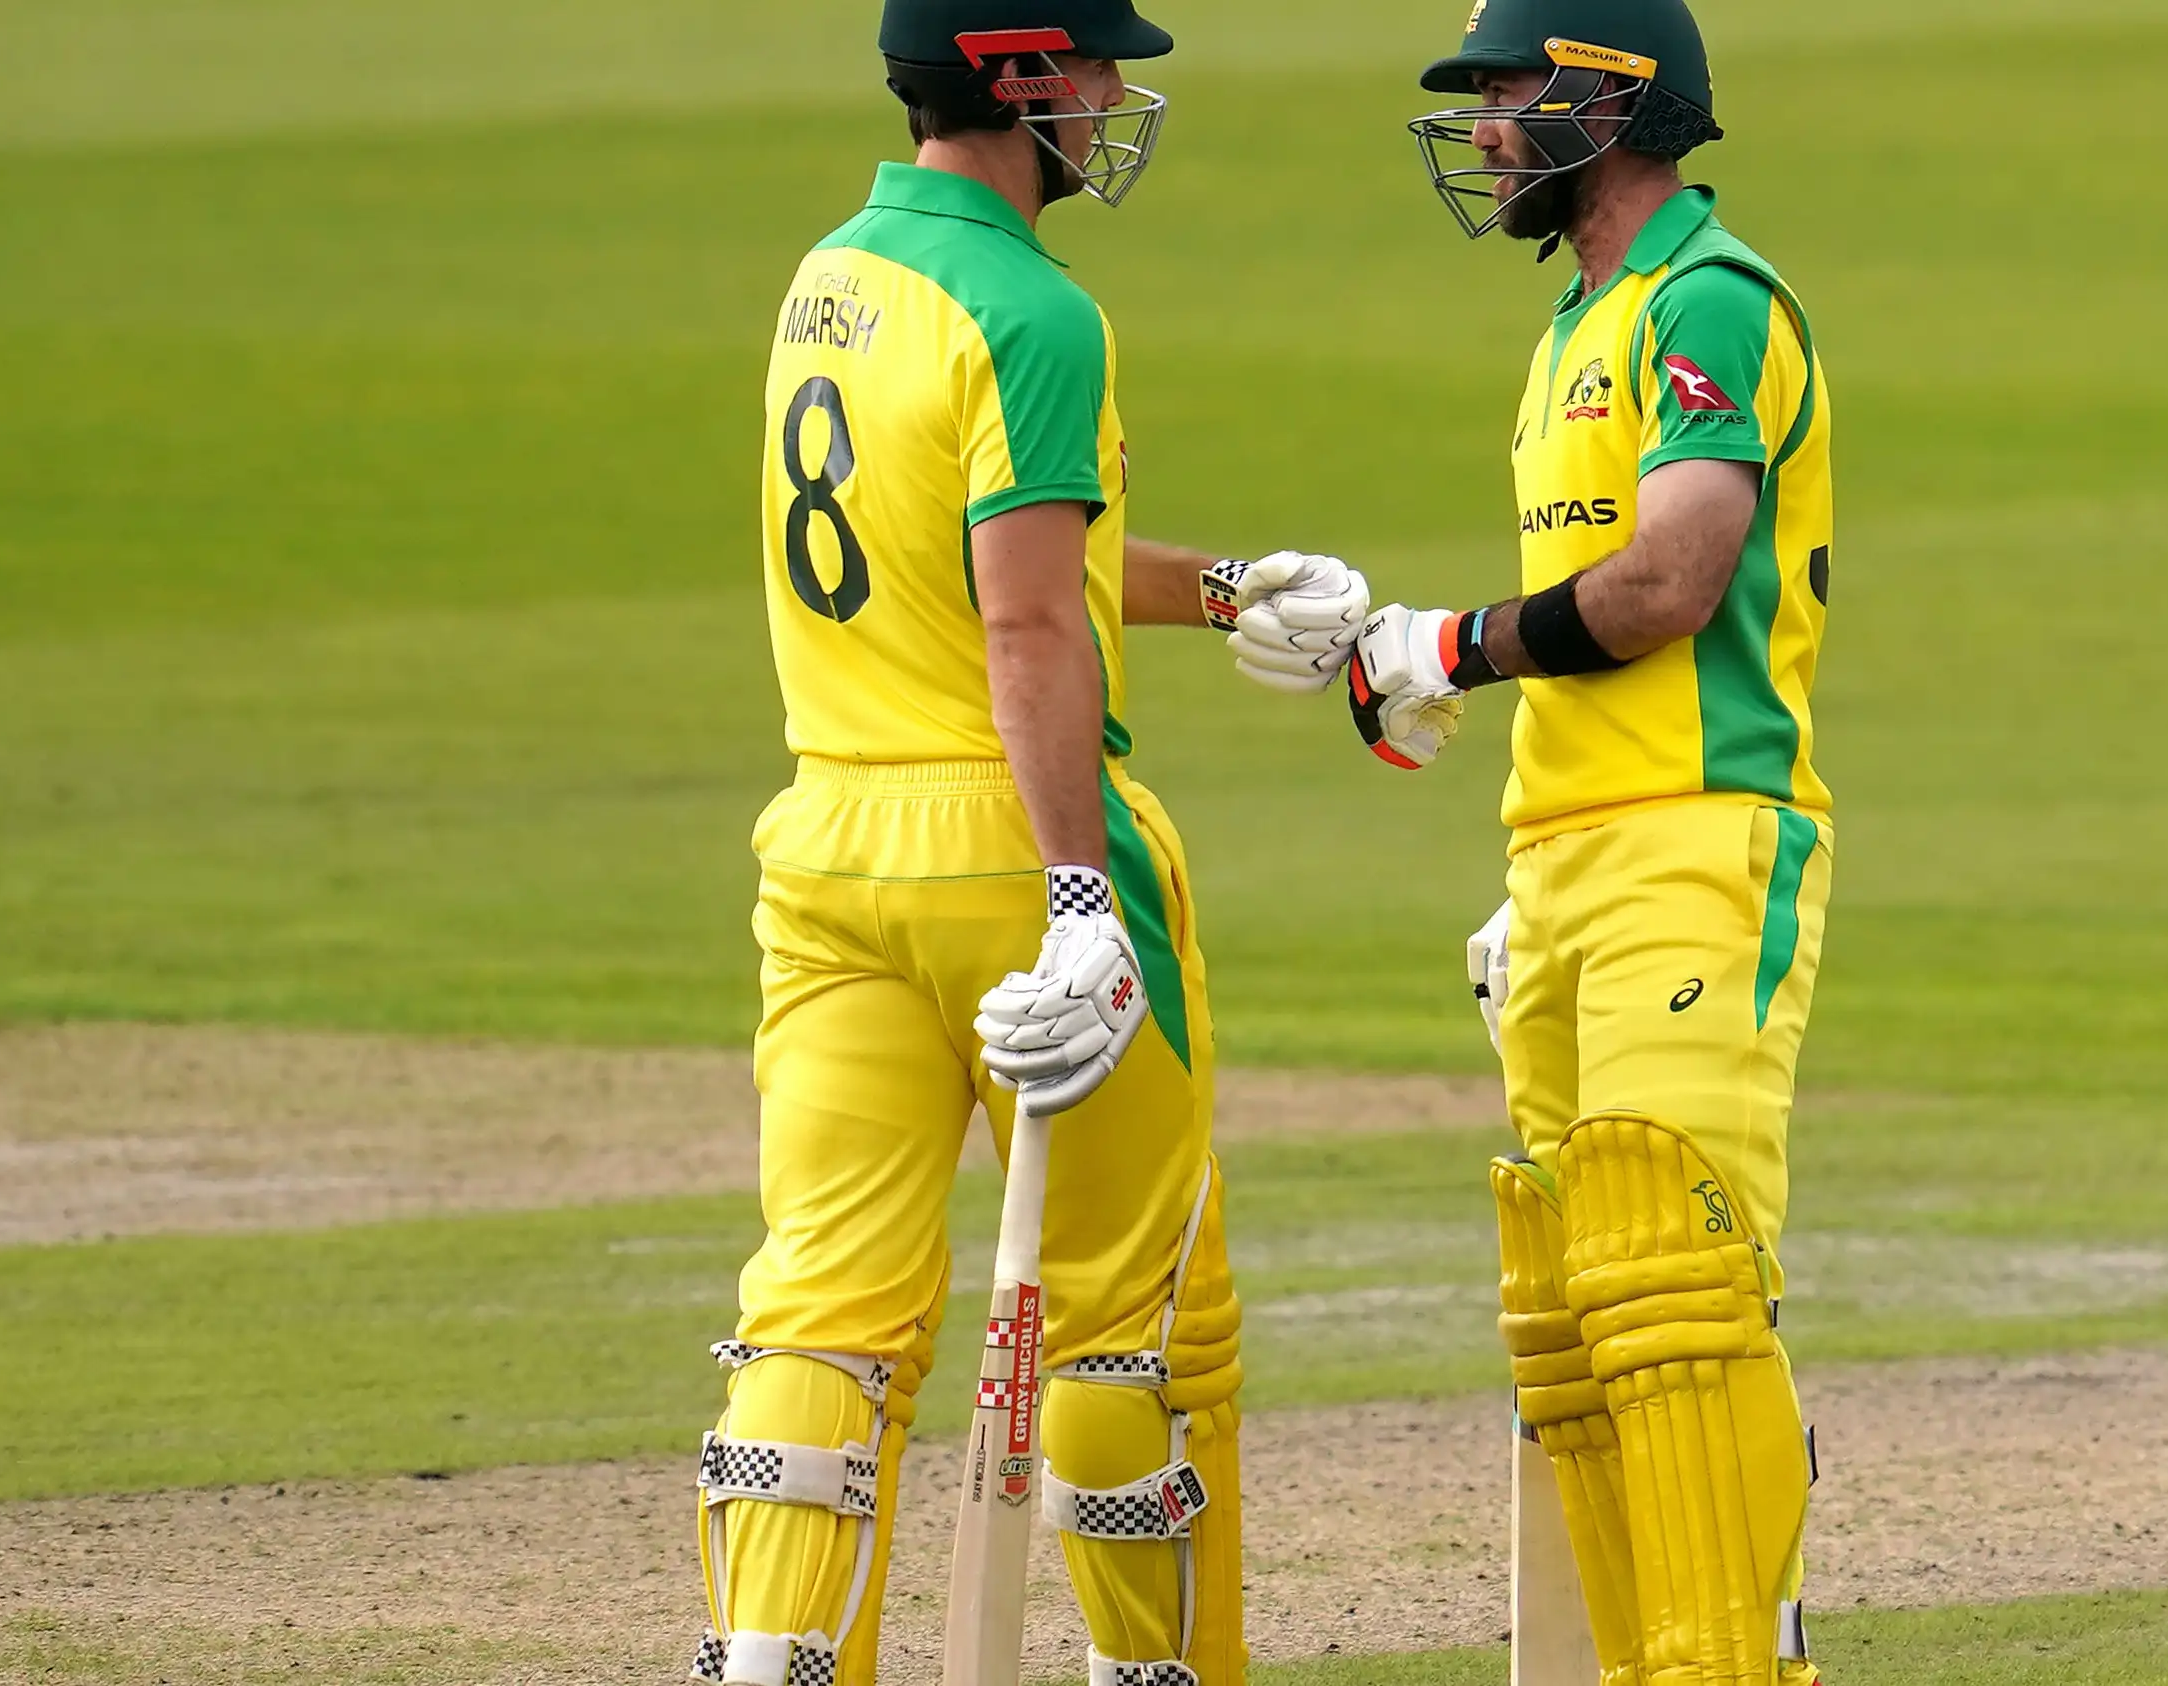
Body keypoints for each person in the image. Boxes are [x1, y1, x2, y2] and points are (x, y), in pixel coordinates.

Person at [705, 4, 1375, 1683]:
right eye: (1093, 66)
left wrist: (1221, 587)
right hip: (1018, 847)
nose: (1114, 97)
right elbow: (1023, 623)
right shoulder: (1033, 309)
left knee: (822, 1315)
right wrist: (1081, 890)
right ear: (1017, 76)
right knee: (1130, 1323)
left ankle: (769, 1664)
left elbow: (1005, 557)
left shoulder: (832, 277)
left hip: (831, 849)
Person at [1346, 3, 1836, 1682]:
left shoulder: (1710, 300)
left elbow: (1669, 583)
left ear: (1609, 102)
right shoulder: (1578, 326)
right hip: (1567, 863)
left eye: (1507, 92)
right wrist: (1531, 869)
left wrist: (1454, 645)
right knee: (1579, 1325)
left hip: (1698, 844)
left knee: (1678, 1292)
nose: (1485, 127)